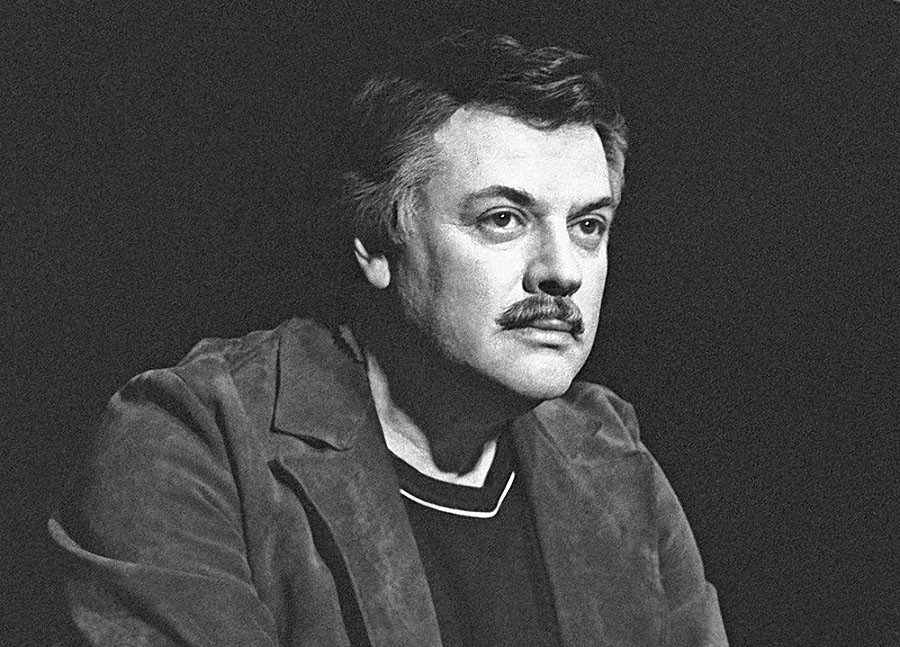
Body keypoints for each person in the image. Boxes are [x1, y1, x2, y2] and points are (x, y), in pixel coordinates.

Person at [49, 32, 728, 647]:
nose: (562, 270)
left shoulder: (611, 456)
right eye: (503, 218)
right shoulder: (194, 440)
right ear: (375, 244)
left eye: (588, 226)